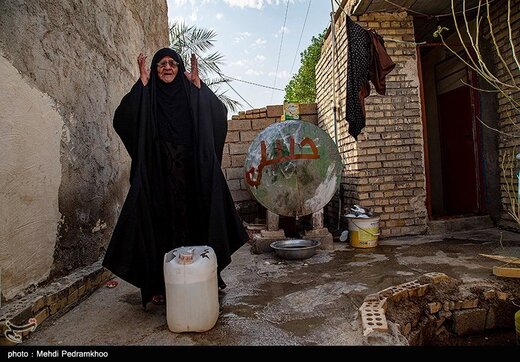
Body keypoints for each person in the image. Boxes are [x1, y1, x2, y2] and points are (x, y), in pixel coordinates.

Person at [103, 48, 249, 308]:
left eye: (172, 63)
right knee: (159, 226)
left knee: (198, 223)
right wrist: (142, 85)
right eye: (161, 64)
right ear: (155, 69)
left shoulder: (191, 94)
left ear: (180, 68)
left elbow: (218, 115)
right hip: (159, 177)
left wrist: (199, 86)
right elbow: (122, 119)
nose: (167, 67)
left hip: (192, 176)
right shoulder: (148, 96)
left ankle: (206, 277)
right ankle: (158, 285)